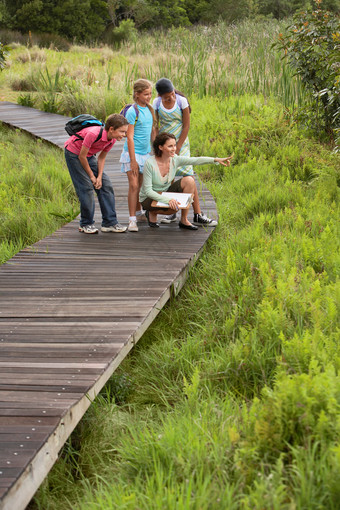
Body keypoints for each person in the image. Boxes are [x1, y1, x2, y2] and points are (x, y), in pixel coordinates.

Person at [153, 77, 217, 227]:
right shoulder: (156, 103)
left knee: (188, 176)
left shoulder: (181, 101)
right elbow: (156, 126)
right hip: (164, 143)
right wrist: (157, 146)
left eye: (172, 93)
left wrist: (179, 146)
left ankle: (197, 214)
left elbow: (186, 126)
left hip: (181, 143)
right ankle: (172, 212)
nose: (171, 97)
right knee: (170, 177)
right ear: (160, 96)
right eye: (167, 96)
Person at [139, 133, 232, 230]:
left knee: (189, 180)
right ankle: (151, 211)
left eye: (174, 145)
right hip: (148, 199)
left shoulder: (175, 159)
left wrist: (216, 160)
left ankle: (184, 220)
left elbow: (195, 160)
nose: (174, 148)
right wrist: (168, 200)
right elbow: (148, 191)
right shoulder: (150, 163)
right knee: (172, 208)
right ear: (160, 147)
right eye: (170, 146)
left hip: (164, 194)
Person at [64, 113, 128, 234]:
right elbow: (81, 157)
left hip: (88, 155)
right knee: (86, 187)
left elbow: (101, 158)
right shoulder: (93, 133)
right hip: (74, 154)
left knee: (106, 184)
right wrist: (92, 177)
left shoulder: (112, 139)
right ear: (111, 129)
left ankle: (109, 223)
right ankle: (85, 224)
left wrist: (99, 177)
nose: (124, 135)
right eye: (122, 132)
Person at [120, 78, 156, 232]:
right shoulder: (132, 111)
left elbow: (152, 131)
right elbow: (129, 136)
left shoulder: (149, 109)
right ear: (137, 94)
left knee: (141, 186)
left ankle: (140, 213)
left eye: (150, 94)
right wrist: (133, 161)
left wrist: (156, 152)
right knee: (134, 186)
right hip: (131, 154)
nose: (149, 97)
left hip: (146, 154)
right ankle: (132, 220)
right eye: (146, 94)